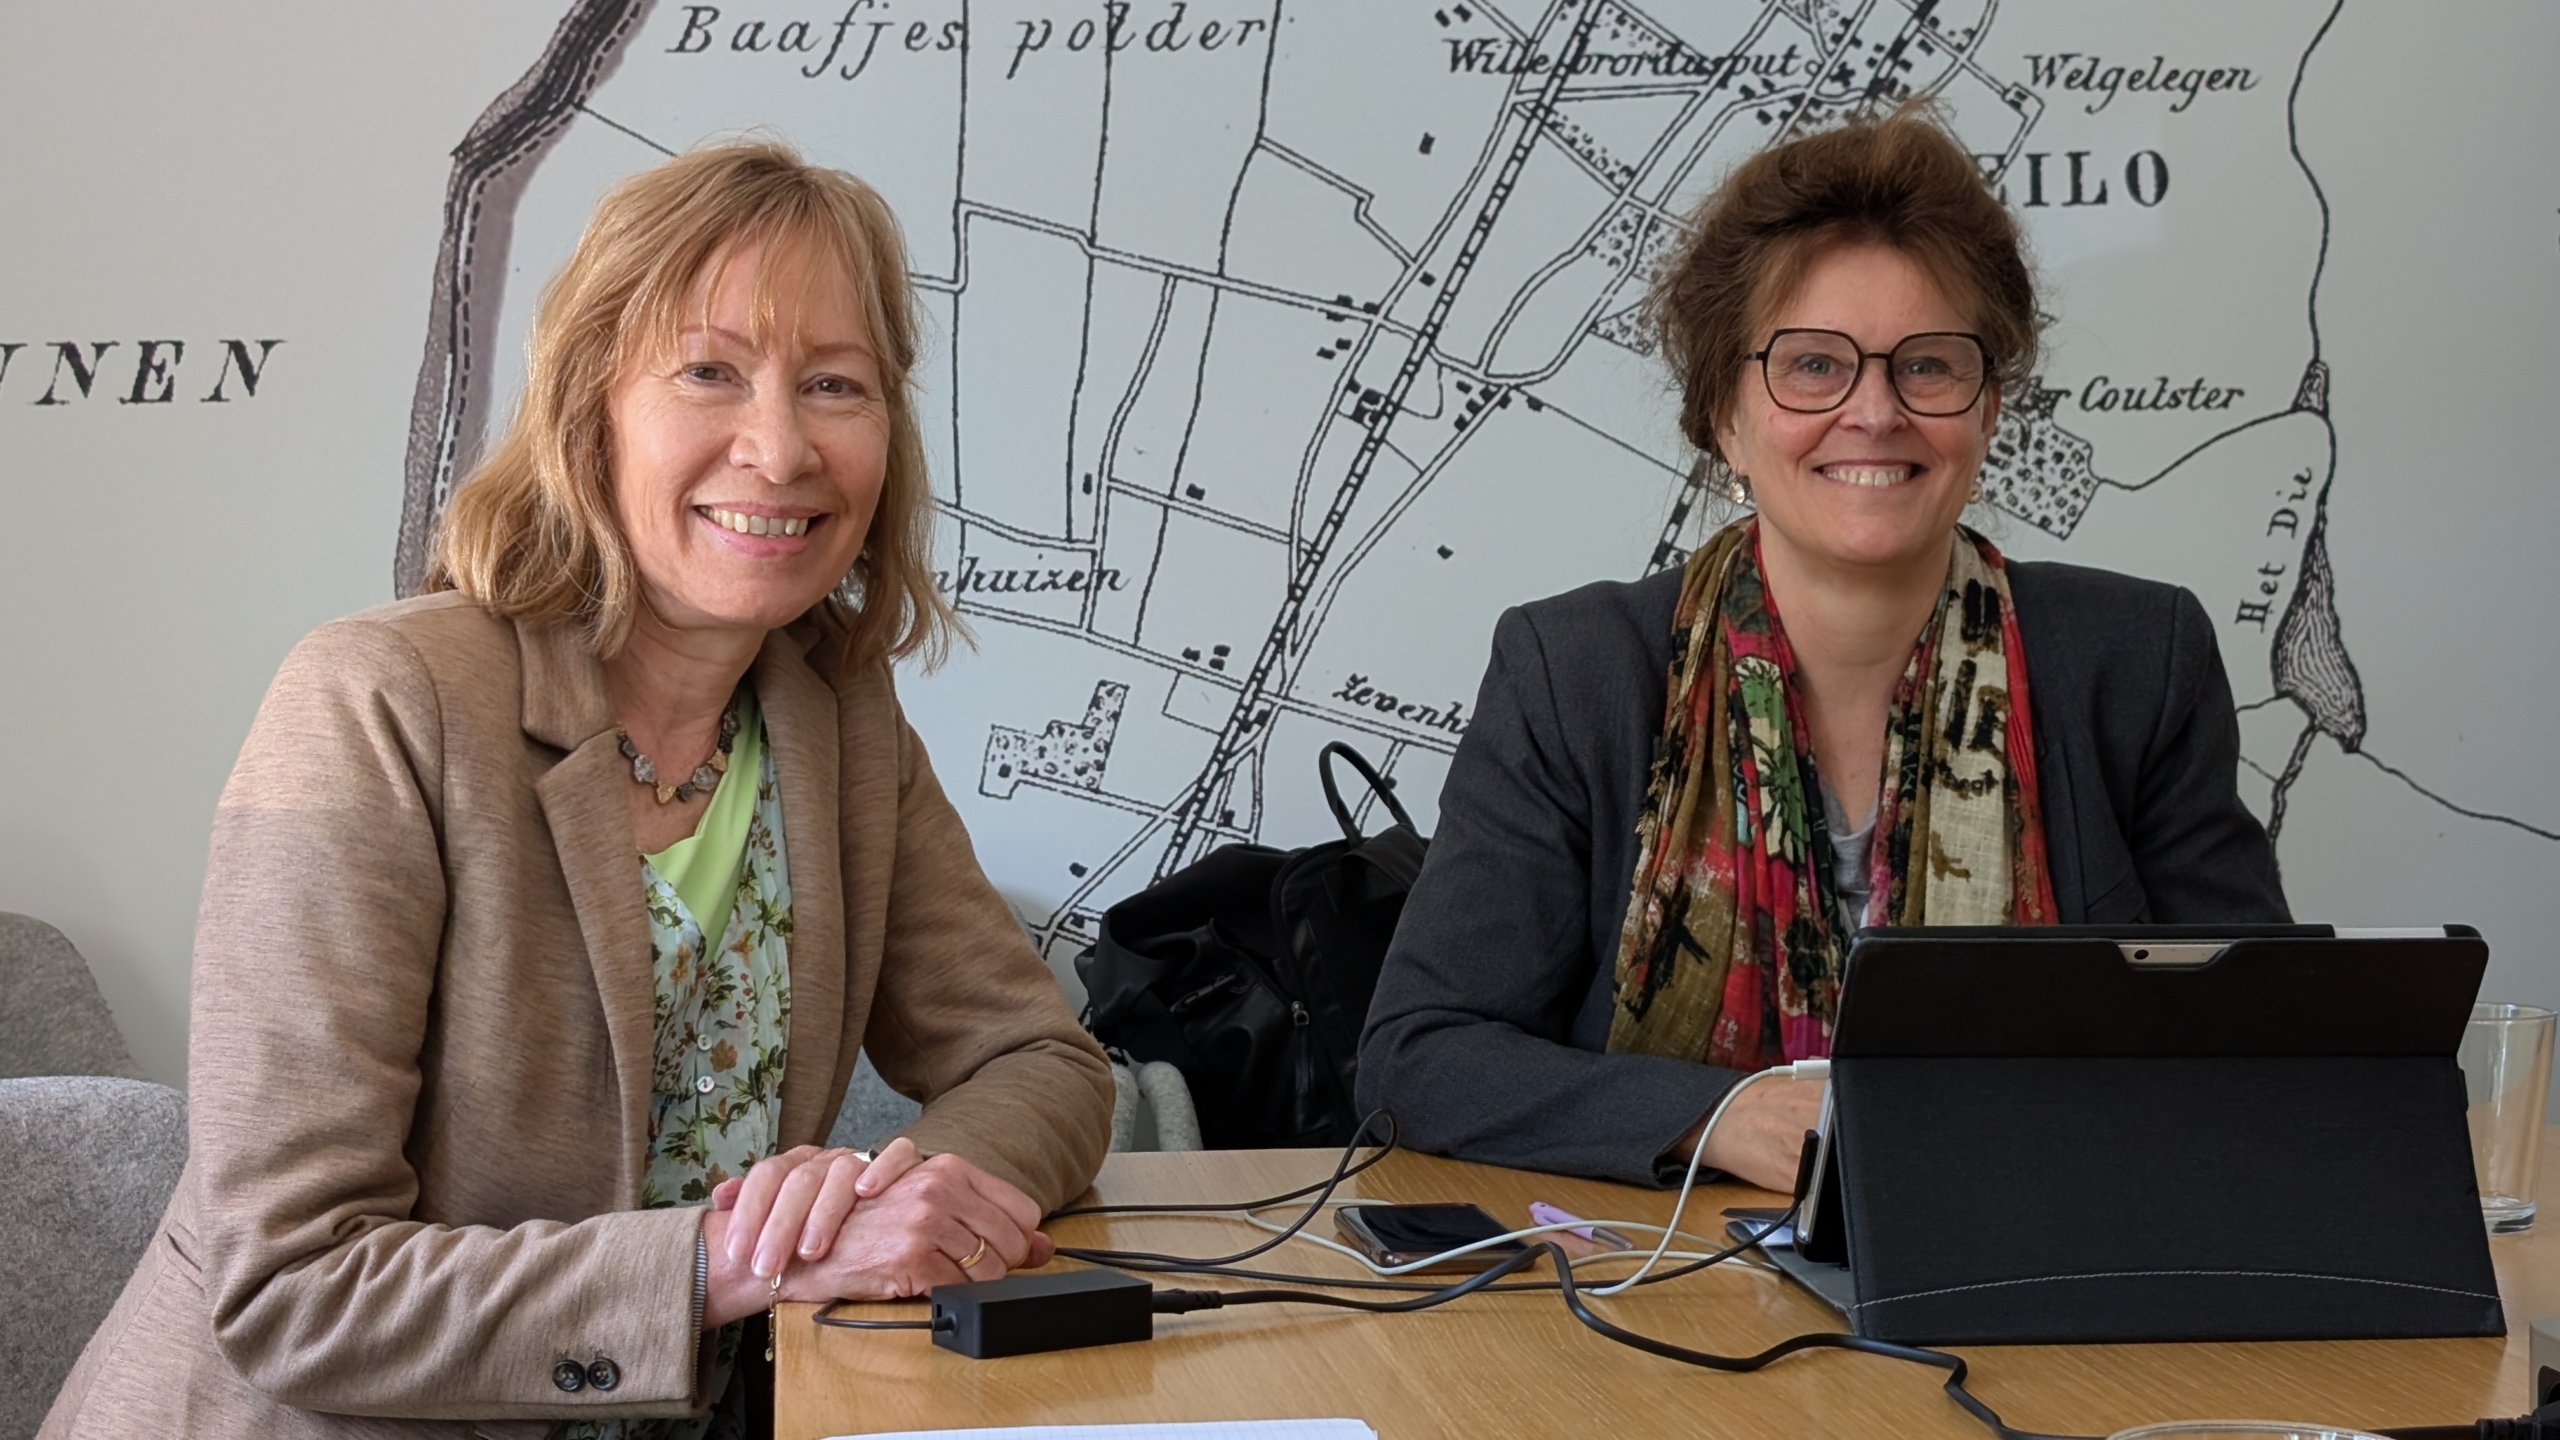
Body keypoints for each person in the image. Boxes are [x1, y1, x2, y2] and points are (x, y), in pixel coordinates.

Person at [43, 139, 1113, 1438]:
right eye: (710, 372)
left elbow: (1039, 1061)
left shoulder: (840, 719)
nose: (778, 450)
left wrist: (922, 1194)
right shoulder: (372, 704)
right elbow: (291, 1287)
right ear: (589, 407)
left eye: (835, 384)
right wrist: (729, 1266)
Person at [1355, 112, 2287, 1197]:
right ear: (1723, 417)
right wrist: (1717, 1117)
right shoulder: (1575, 670)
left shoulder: (2135, 660)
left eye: (1928, 366)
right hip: (1669, 1305)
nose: (1875, 413)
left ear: (1987, 408)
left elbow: (2263, 1041)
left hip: (2032, 1266)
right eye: (1812, 366)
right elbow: (1415, 1058)